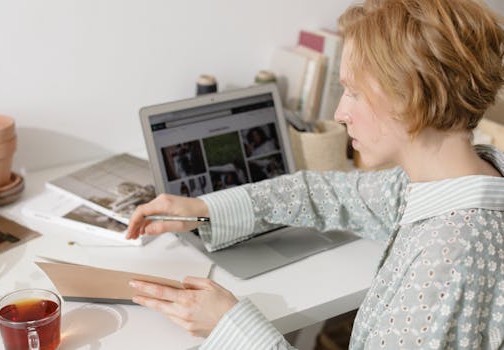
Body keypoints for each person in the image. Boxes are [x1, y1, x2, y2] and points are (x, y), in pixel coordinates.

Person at [126, 0, 504, 348]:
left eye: (353, 92)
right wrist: (204, 208)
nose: (340, 113)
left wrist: (228, 324)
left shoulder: (445, 258)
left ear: (410, 94)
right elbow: (327, 193)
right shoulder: (459, 178)